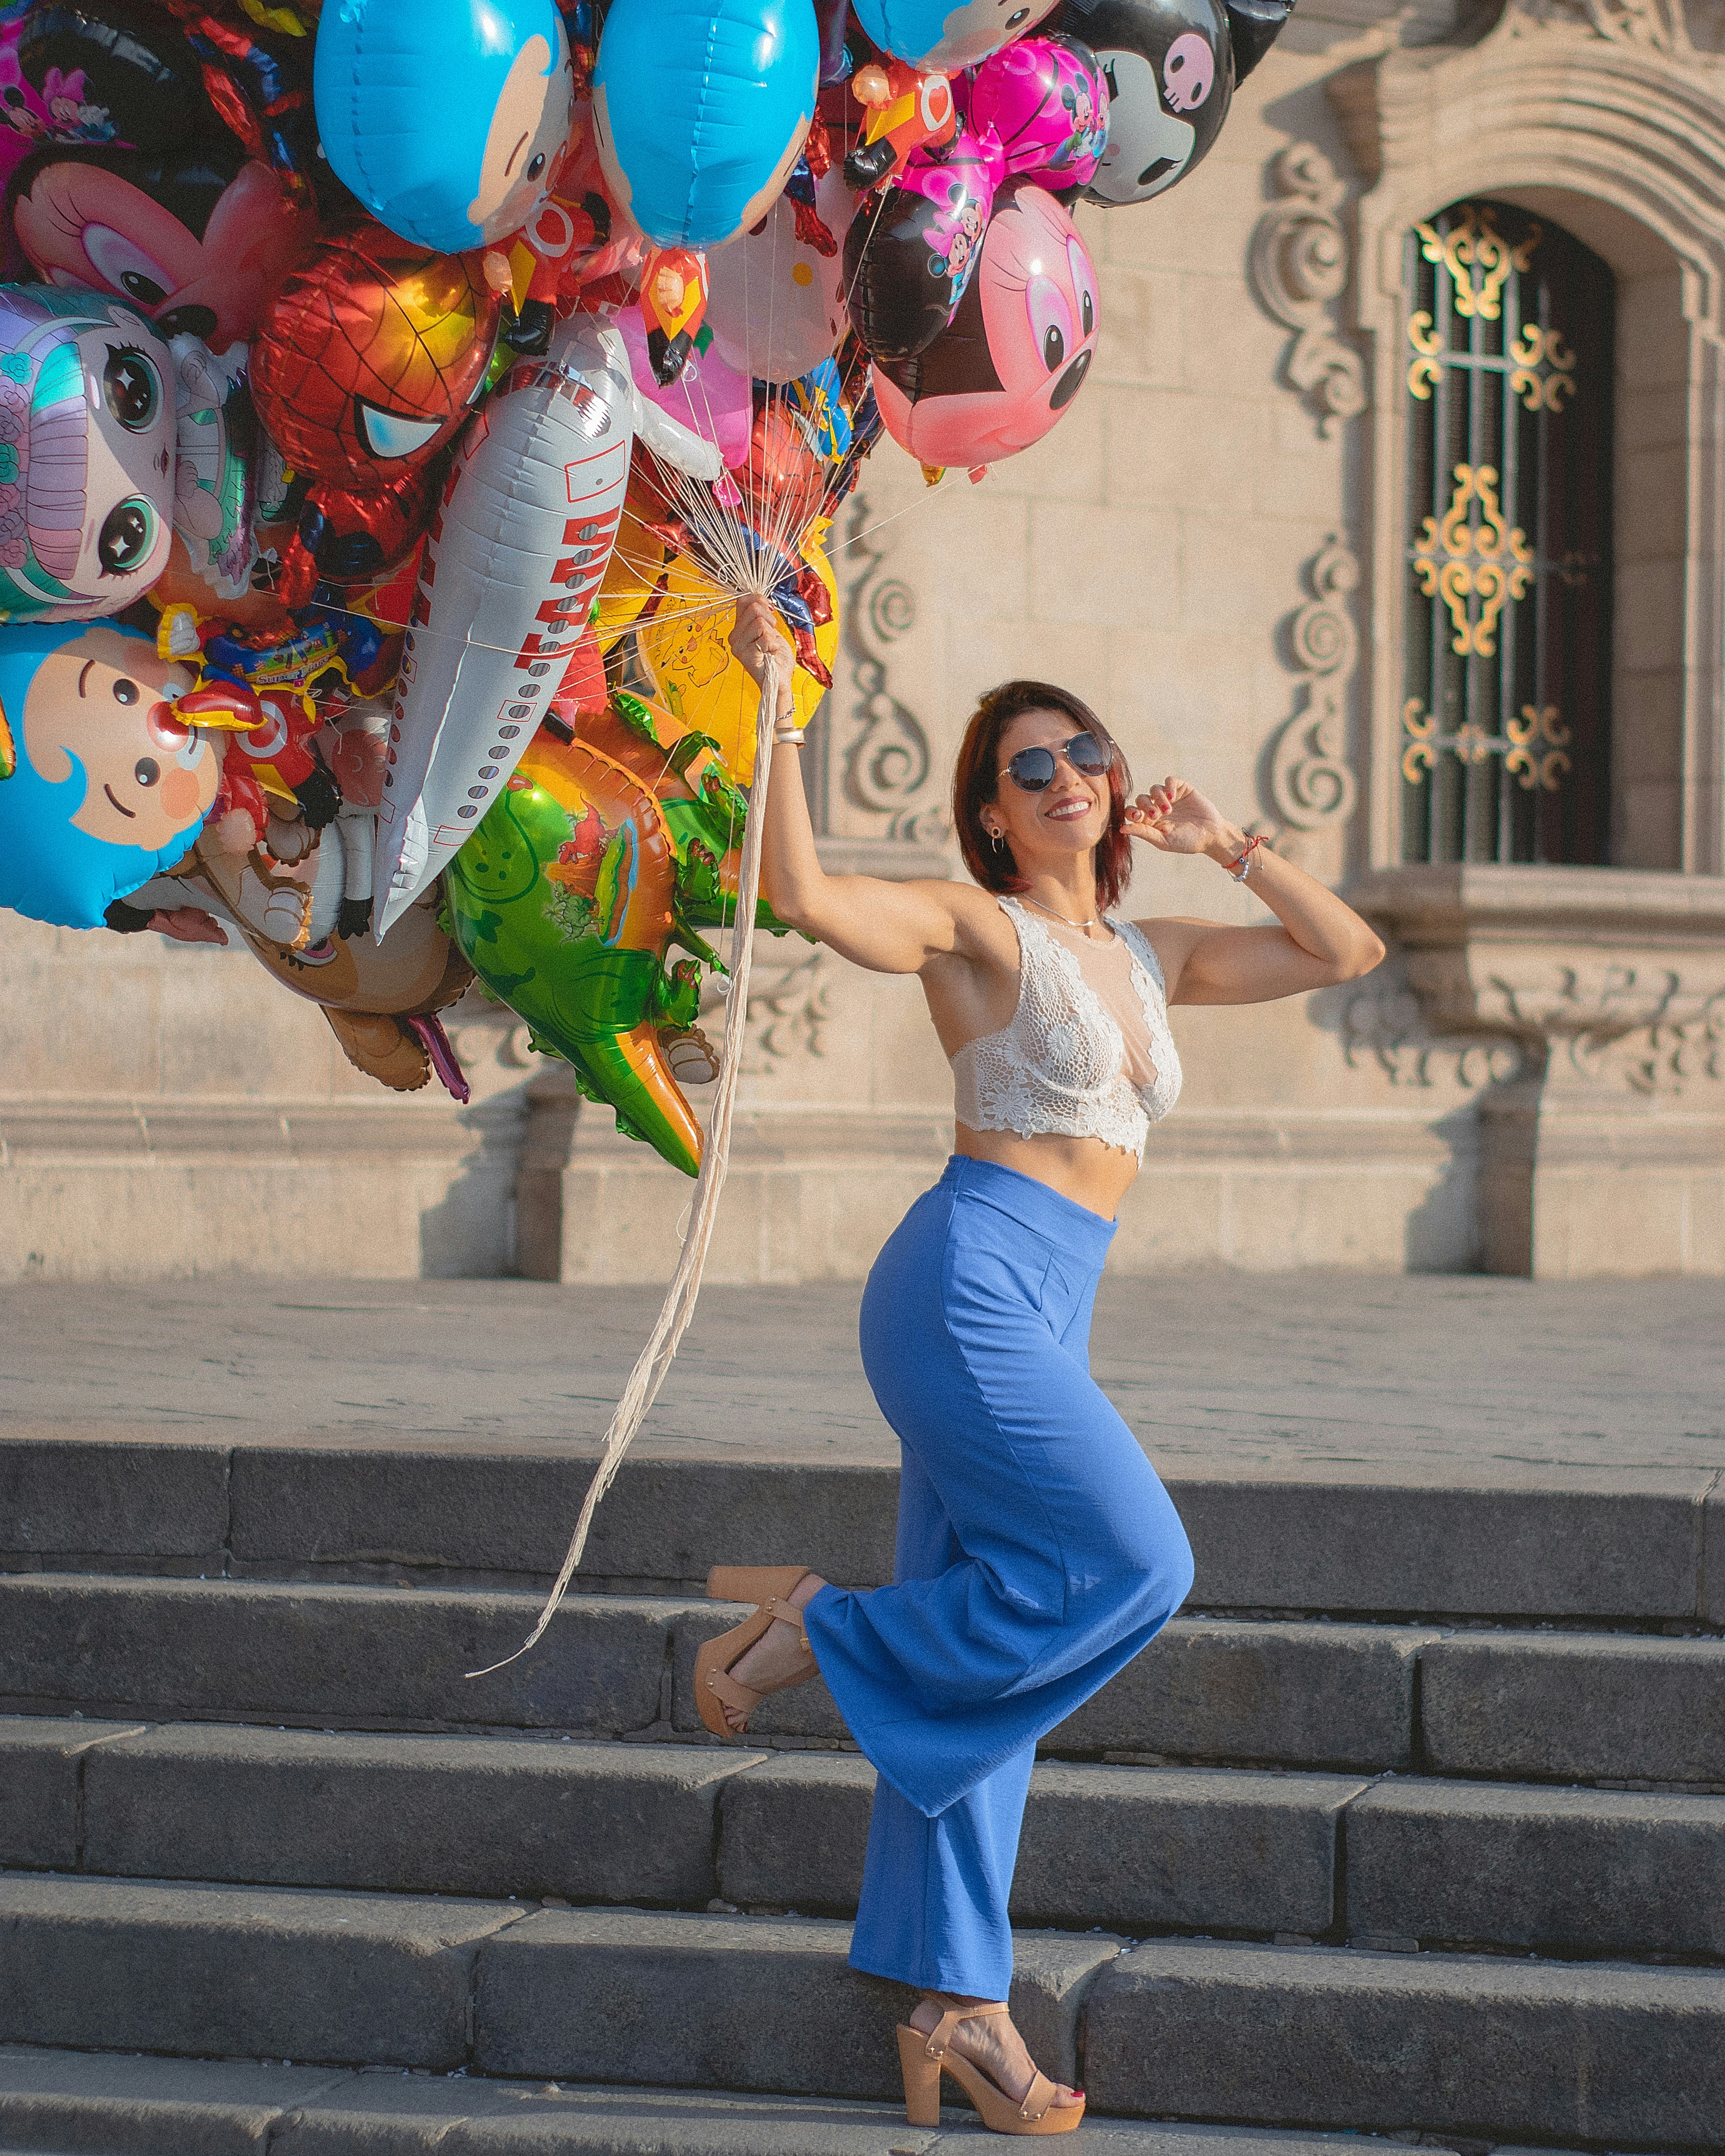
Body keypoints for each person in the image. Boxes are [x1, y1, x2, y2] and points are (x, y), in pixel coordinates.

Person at [700, 594, 1386, 2137]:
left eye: (1083, 748)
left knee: (997, 1683)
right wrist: (777, 703)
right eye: (1028, 766)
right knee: (1140, 1562)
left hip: (1050, 1303)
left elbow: (1348, 949)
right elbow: (803, 894)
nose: (1066, 773)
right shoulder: (978, 930)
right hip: (964, 1289)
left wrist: (1230, 838)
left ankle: (957, 2007)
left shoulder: (1151, 955)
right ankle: (822, 1632)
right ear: (993, 819)